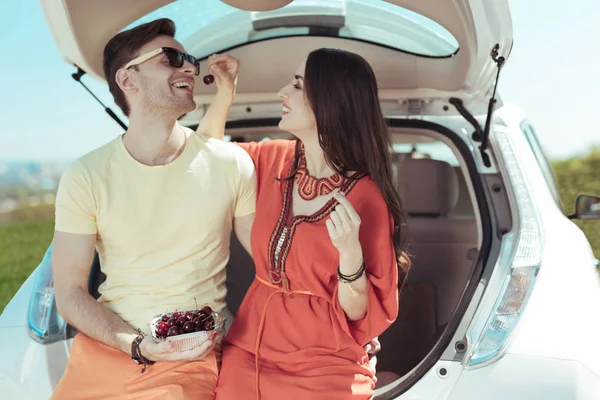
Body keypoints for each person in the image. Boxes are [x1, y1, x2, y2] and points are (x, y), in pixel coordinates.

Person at [50, 18, 255, 399]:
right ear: (127, 80)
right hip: (107, 350)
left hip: (188, 359)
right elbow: (71, 292)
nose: (190, 67)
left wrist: (342, 323)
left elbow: (279, 266)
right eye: (172, 58)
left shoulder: (231, 164)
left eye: (190, 59)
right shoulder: (85, 175)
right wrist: (136, 344)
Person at [203, 48, 411, 399]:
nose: (283, 91)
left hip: (324, 363)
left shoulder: (367, 198)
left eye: (298, 84)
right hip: (249, 350)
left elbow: (358, 312)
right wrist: (225, 94)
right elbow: (207, 159)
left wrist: (350, 254)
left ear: (331, 99)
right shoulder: (272, 158)